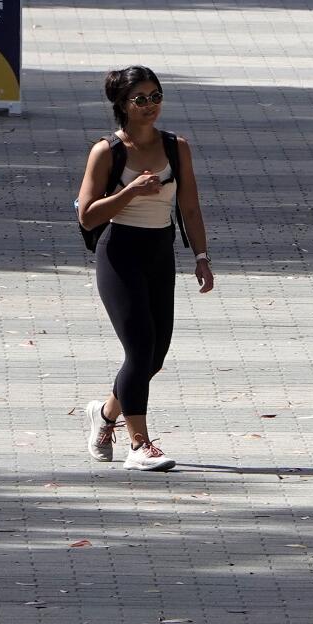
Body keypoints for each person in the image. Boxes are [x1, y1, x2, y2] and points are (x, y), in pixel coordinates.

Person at [75, 66, 213, 471]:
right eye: (140, 99)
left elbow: (189, 206)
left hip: (159, 251)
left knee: (154, 357)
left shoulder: (175, 147)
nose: (150, 105)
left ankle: (104, 414)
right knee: (138, 350)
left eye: (156, 96)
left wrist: (201, 257)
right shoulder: (107, 151)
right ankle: (140, 445)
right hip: (119, 252)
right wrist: (130, 190)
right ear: (122, 104)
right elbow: (86, 215)